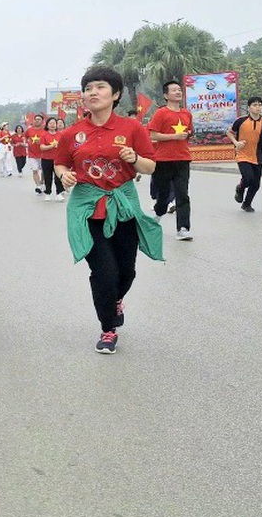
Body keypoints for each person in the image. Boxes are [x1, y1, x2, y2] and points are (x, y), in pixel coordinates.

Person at [54, 67, 163, 355]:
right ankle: (108, 328)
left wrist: (135, 157)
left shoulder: (132, 129)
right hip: (87, 210)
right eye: (88, 88)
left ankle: (115, 300)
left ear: (115, 94)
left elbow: (150, 167)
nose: (93, 92)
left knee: (126, 272)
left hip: (123, 207)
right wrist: (64, 175)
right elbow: (60, 163)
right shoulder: (72, 133)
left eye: (100, 87)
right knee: (104, 272)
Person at [148, 80, 194, 240]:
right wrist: (174, 136)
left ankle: (183, 228)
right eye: (174, 90)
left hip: (182, 159)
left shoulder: (186, 114)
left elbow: (189, 133)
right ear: (166, 95)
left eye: (179, 90)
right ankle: (158, 213)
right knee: (164, 194)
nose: (178, 92)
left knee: (183, 194)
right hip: (163, 160)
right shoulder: (161, 113)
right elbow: (152, 135)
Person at [226, 96, 262, 213]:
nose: (257, 107)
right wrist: (236, 142)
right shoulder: (241, 121)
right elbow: (229, 132)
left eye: (260, 105)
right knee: (248, 178)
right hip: (243, 154)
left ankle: (247, 204)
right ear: (248, 108)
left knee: (256, 184)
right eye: (254, 105)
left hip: (258, 155)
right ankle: (240, 188)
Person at [40, 117, 65, 201]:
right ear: (47, 125)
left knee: (58, 176)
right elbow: (42, 147)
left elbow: (64, 146)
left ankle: (59, 193)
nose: (52, 125)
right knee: (48, 176)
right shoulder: (44, 135)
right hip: (46, 159)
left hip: (58, 159)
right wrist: (51, 146)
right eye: (50, 123)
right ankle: (48, 193)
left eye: (54, 123)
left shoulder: (60, 135)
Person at [26, 114, 46, 195]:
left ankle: (42, 183)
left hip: (43, 154)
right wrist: (27, 142)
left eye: (39, 119)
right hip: (32, 153)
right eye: (35, 119)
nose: (37, 121)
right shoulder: (29, 130)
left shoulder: (45, 131)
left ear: (42, 121)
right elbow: (25, 137)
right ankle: (38, 186)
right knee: (35, 170)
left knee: (44, 171)